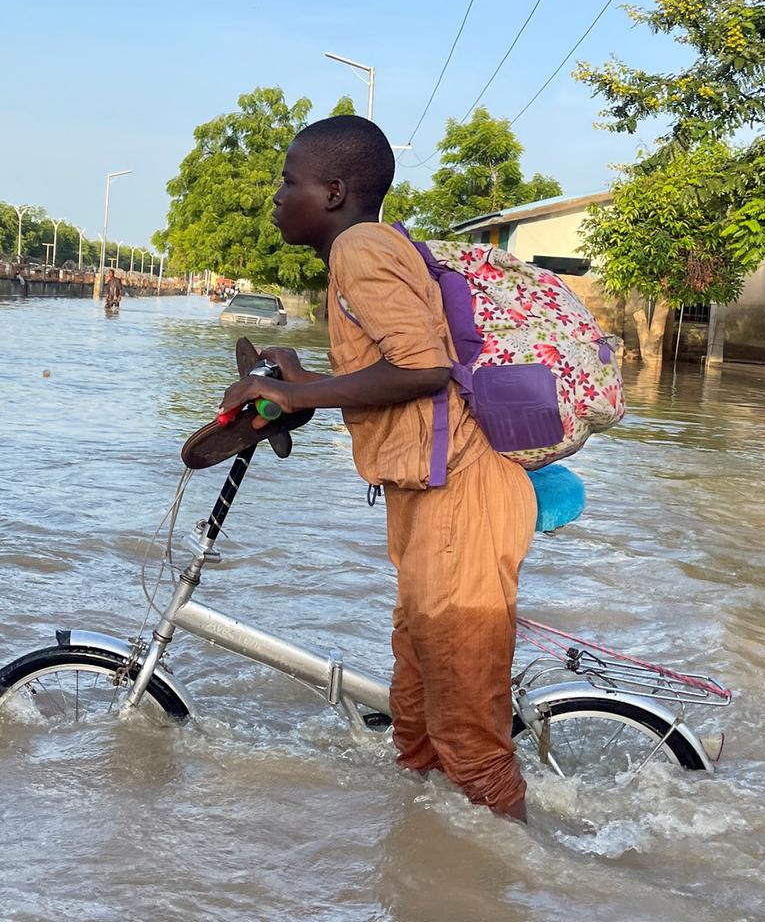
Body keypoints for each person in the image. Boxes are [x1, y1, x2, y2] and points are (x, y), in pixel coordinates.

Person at [218, 115, 537, 821]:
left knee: (469, 740)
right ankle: (426, 860)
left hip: (460, 497)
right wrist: (304, 378)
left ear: (333, 191)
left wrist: (296, 396)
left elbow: (423, 368)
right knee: (416, 726)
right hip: (431, 498)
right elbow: (396, 369)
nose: (277, 197)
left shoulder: (359, 248)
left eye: (288, 181)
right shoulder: (364, 252)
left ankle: (528, 870)